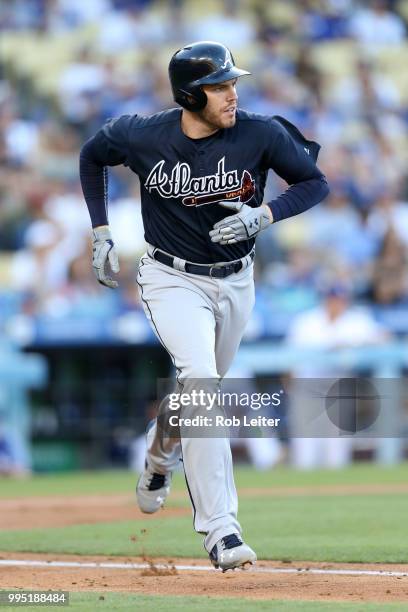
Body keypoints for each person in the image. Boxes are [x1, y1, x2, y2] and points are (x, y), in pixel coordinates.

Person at [79, 41, 329, 571]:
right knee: (201, 381)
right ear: (191, 95)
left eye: (233, 82)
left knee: (198, 390)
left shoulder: (260, 132)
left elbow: (314, 182)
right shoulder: (143, 134)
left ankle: (158, 454)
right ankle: (222, 530)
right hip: (171, 277)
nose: (232, 93)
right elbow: (92, 155)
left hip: (237, 281)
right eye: (220, 85)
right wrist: (100, 229)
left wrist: (266, 214)